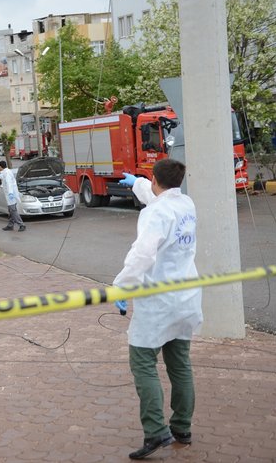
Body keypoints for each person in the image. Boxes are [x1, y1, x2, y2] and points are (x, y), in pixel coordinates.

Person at [114, 158, 202, 460]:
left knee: (143, 362)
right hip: (187, 299)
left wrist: (121, 288)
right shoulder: (186, 204)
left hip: (159, 302)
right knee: (180, 364)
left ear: (155, 179)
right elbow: (160, 202)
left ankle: (155, 431)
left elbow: (142, 255)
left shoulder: (155, 214)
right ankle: (182, 428)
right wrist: (137, 181)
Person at [0, 160, 25, 232]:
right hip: (11, 195)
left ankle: (21, 224)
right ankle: (10, 225)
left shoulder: (7, 173)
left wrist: (10, 193)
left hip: (11, 195)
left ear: (0, 166)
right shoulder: (7, 172)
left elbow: (9, 183)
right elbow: (2, 176)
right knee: (11, 210)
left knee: (13, 211)